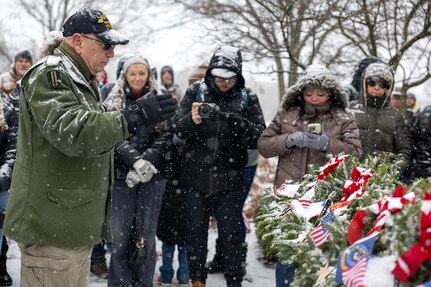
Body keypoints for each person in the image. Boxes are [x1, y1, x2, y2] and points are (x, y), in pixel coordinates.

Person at [3, 8, 177, 286]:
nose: (111, 54)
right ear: (78, 41)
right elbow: (73, 131)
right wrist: (132, 116)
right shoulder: (50, 75)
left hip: (70, 226)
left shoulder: (79, 78)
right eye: (106, 45)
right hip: (52, 229)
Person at [257, 64, 363, 286]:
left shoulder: (344, 117)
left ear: (331, 93)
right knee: (288, 254)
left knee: (320, 258)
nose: (315, 98)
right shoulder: (287, 113)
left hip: (327, 198)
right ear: (300, 92)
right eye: (309, 93)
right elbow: (264, 145)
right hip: (289, 197)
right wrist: (288, 140)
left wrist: (328, 144)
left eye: (321, 94)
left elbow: (356, 153)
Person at [174, 45, 266, 287]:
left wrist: (236, 122)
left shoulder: (247, 97)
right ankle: (197, 281)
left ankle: (234, 281)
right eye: (218, 77)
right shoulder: (196, 92)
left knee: (231, 236)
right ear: (210, 74)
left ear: (239, 76)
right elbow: (177, 131)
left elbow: (259, 137)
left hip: (231, 178)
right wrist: (192, 120)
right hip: (195, 178)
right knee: (196, 235)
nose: (224, 83)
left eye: (230, 78)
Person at [104, 56, 170, 287]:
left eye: (142, 73)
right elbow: (110, 134)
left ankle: (143, 283)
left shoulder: (161, 98)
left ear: (148, 75)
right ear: (124, 75)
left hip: (154, 176)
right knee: (120, 236)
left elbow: (168, 134)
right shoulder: (112, 98)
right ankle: (120, 282)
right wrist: (134, 161)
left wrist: (149, 161)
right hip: (122, 175)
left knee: (146, 235)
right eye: (133, 73)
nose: (137, 78)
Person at [156, 87, 190, 287]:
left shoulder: (164, 132)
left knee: (169, 243)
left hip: (170, 193)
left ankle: (167, 274)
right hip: (183, 193)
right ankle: (182, 275)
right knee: (183, 243)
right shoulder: (185, 131)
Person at [350, 61, 410, 163]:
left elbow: (403, 151)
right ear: (365, 84)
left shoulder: (396, 115)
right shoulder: (350, 109)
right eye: (372, 82)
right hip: (351, 175)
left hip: (381, 176)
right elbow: (339, 143)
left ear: (388, 87)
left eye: (382, 84)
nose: (376, 87)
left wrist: (390, 173)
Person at [0, 94, 17, 287]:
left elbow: (12, 148)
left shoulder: (8, 110)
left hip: (1, 180)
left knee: (0, 225)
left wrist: (4, 171)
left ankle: (1, 261)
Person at [409, 104, 431, 180]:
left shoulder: (424, 113)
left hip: (421, 164)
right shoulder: (426, 114)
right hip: (423, 165)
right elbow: (414, 137)